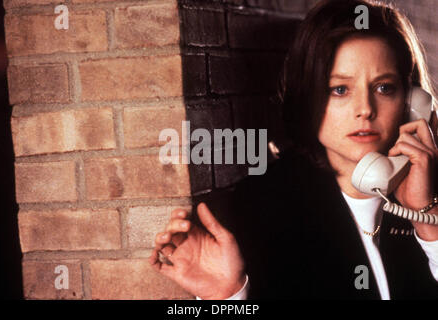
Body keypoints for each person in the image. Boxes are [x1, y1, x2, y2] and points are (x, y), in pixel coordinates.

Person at [149, 0, 438, 299]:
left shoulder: (429, 194)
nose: (364, 109)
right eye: (339, 89)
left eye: (384, 88)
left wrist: (428, 221)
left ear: (412, 101)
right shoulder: (257, 211)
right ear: (307, 94)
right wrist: (229, 296)